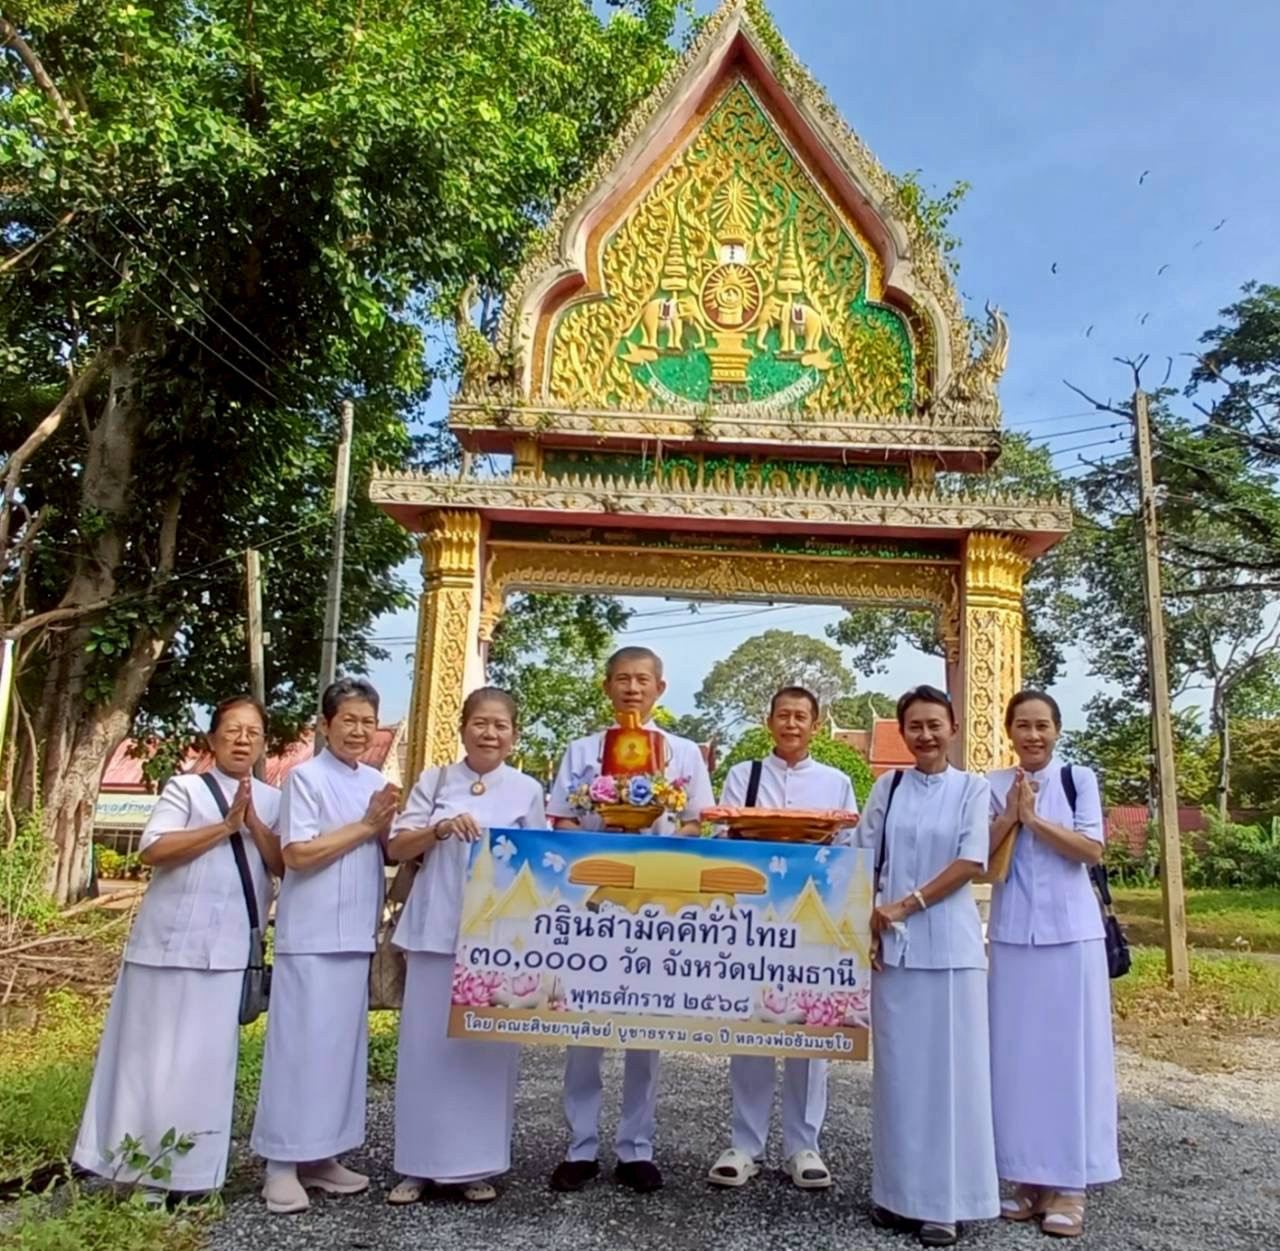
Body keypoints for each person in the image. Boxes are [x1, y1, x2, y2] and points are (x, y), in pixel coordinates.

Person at [73, 695, 283, 1197]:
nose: (242, 740)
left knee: (206, 1065)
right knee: (148, 1059)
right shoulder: (186, 787)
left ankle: (192, 1176)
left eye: (252, 733)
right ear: (212, 739)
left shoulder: (275, 801)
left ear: (263, 745)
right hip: (165, 948)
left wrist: (252, 822)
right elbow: (154, 849)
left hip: (228, 953)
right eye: (232, 730)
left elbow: (281, 864)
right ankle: (134, 1169)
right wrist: (225, 828)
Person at [545, 645, 715, 1195]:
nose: (632, 689)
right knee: (585, 1026)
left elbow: (697, 824)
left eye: (643, 680)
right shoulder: (583, 750)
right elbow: (561, 817)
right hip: (595, 900)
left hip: (656, 905)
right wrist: (602, 844)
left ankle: (637, 1147)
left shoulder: (684, 754)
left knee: (646, 1028)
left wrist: (653, 855)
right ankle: (580, 1146)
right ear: (607, 686)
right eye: (622, 679)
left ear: (660, 689)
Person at [386, 687, 546, 1206]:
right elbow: (395, 846)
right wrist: (438, 829)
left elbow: (543, 865)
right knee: (425, 1047)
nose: (489, 733)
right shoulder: (435, 782)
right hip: (435, 928)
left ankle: (477, 1164)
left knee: (483, 1052)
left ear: (514, 734)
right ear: (462, 727)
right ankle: (417, 1164)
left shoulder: (526, 790)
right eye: (480, 723)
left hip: (496, 942)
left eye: (500, 725)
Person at [250, 677, 400, 1215]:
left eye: (367, 721)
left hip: (354, 935)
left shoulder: (376, 781)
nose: (359, 730)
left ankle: (322, 1155)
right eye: (349, 721)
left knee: (340, 1053)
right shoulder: (305, 779)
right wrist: (367, 825)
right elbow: (298, 855)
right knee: (299, 1050)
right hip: (309, 936)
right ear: (326, 725)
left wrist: (392, 828)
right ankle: (281, 1165)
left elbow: (385, 851)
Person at [859, 685, 998, 1248]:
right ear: (903, 732)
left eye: (934, 724)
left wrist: (906, 904)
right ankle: (898, 1196)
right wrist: (863, 921)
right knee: (899, 1077)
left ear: (953, 727)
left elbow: (970, 860)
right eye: (914, 726)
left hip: (950, 950)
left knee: (951, 1078)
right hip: (893, 951)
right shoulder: (886, 787)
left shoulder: (972, 788)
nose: (925, 735)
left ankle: (946, 1204)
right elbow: (862, 856)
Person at [707, 686, 858, 1191]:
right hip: (754, 915)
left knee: (808, 1027)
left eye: (802, 717)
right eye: (783, 715)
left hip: (814, 918)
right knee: (752, 1026)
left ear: (817, 725)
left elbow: (848, 849)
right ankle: (744, 1144)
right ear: (768, 721)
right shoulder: (742, 777)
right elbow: (724, 840)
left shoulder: (836, 782)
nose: (792, 724)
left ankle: (803, 1144)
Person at [987, 690, 1120, 1238]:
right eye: (1022, 726)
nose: (1033, 736)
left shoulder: (1077, 779)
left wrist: (1035, 820)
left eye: (1042, 725)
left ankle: (1071, 1183)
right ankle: (1026, 1176)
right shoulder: (994, 785)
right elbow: (979, 854)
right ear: (1009, 732)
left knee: (1071, 1056)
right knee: (1017, 1057)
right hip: (1015, 932)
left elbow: (1092, 850)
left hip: (1072, 935)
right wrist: (1011, 817)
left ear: (1058, 731)